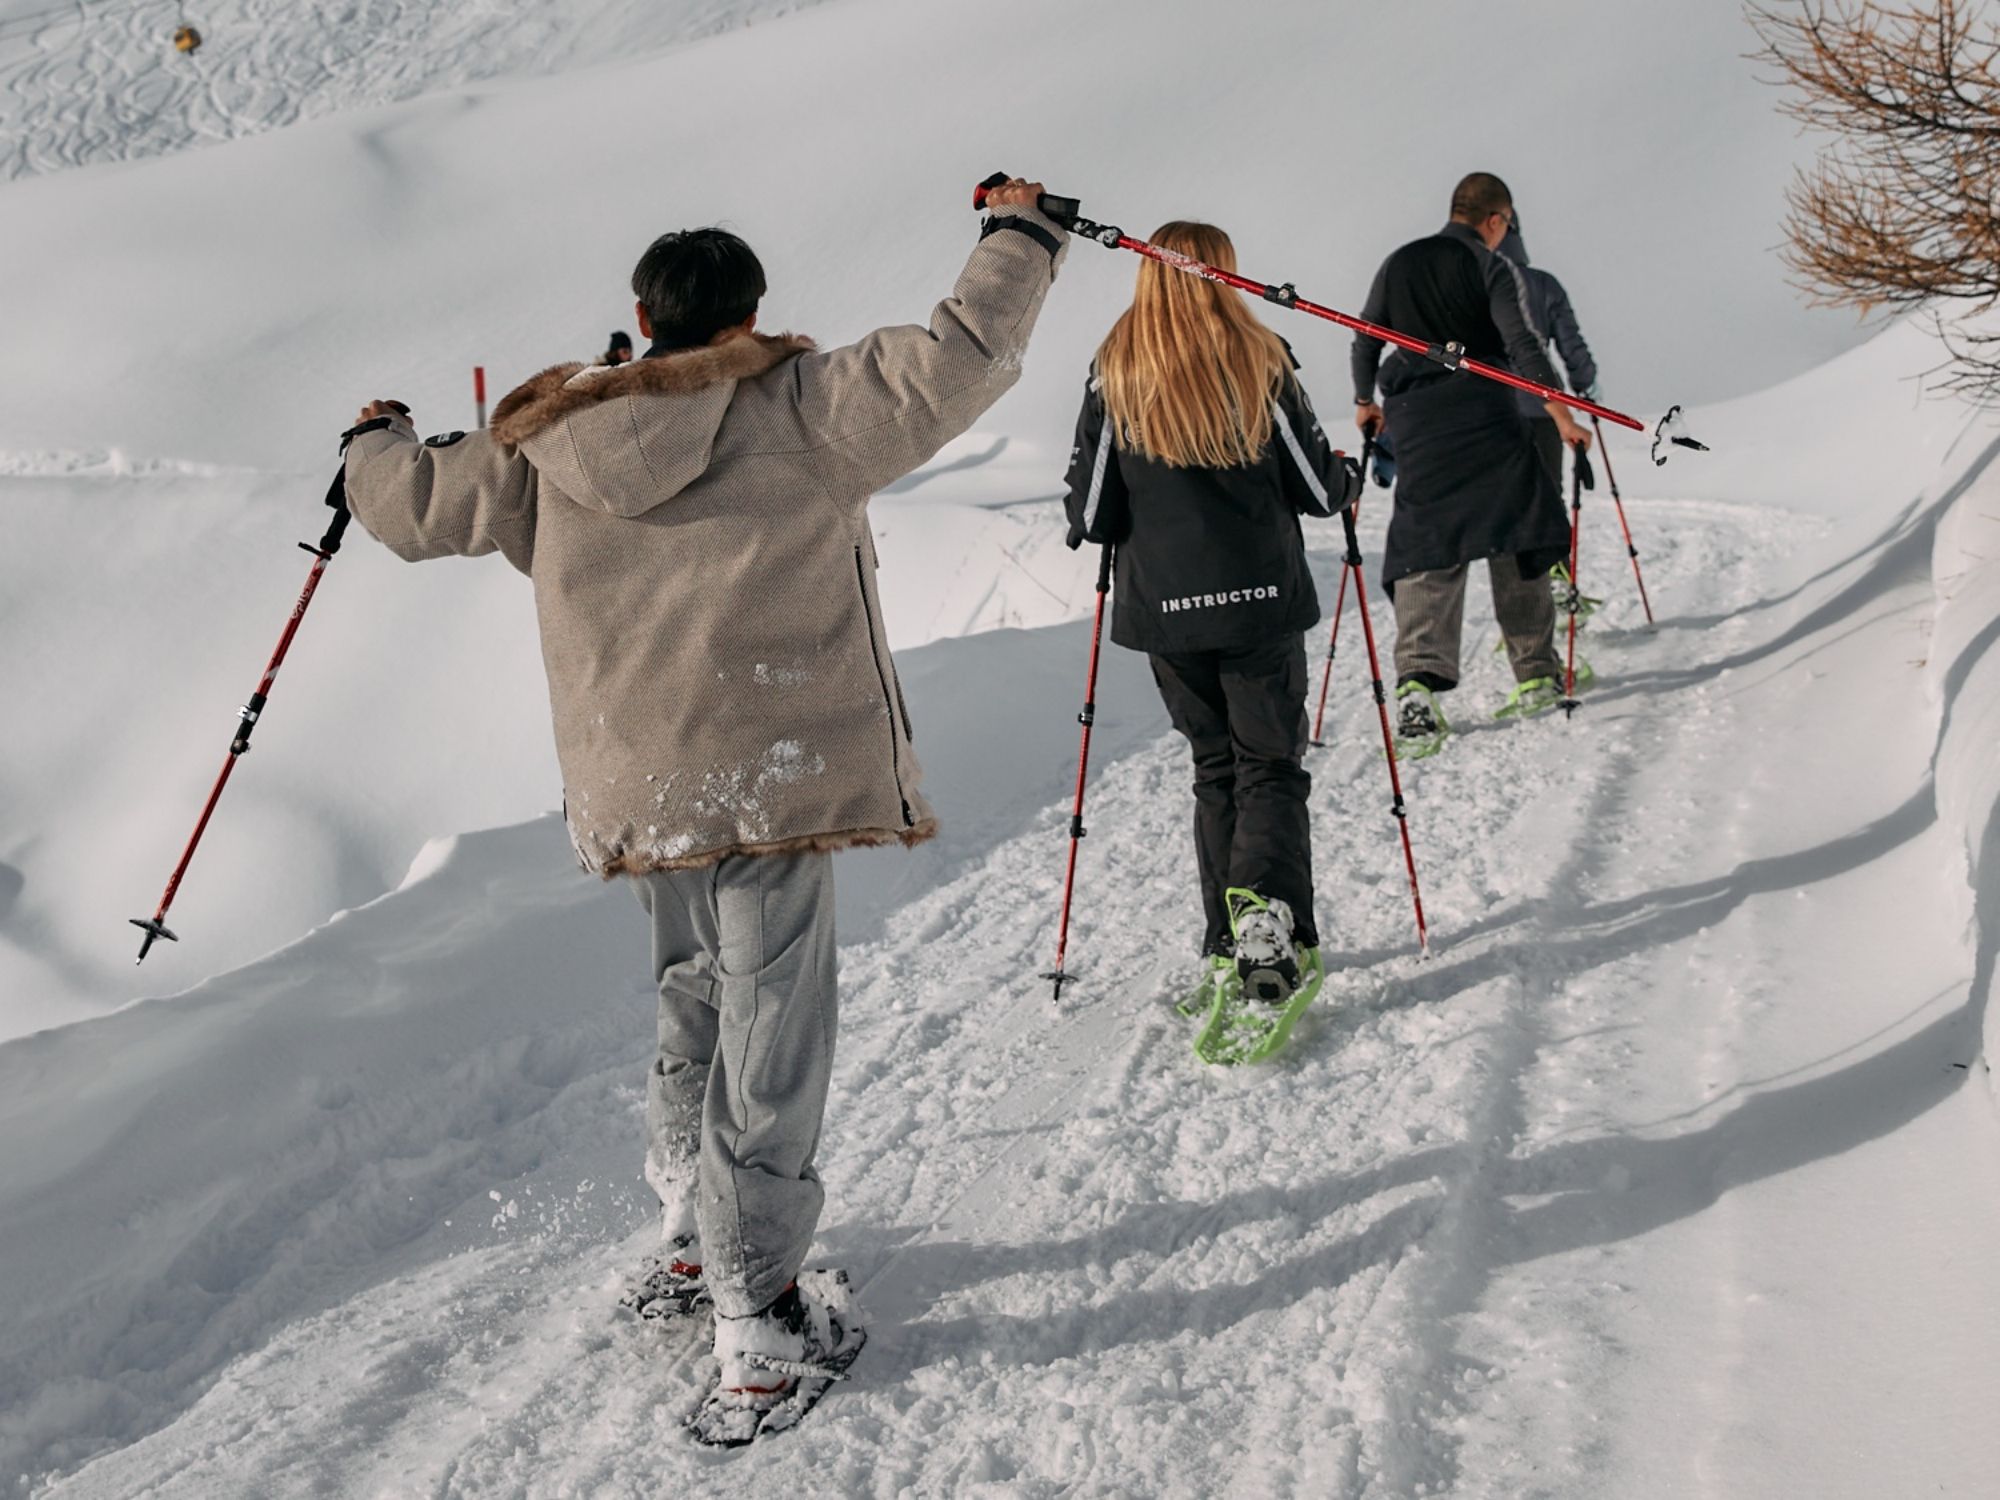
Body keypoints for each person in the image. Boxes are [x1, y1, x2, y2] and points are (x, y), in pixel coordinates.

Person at [338, 179, 1068, 1434]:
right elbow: (964, 351)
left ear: (640, 315)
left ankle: (692, 1227)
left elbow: (411, 507)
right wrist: (1022, 231)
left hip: (643, 780)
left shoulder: (546, 440)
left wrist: (375, 436)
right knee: (773, 1023)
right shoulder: (803, 404)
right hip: (776, 770)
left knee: (695, 991)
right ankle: (758, 1308)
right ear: (747, 314)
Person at [1063, 221, 1359, 1016]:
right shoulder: (1261, 359)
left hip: (1169, 613)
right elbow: (1318, 488)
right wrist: (1349, 475)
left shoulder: (1114, 369)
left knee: (1216, 768)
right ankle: (1267, 919)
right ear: (1221, 274)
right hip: (1261, 602)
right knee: (1270, 767)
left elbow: (1092, 511)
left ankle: (1227, 939)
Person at [1351, 172, 1592, 756]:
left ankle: (1417, 688)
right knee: (1518, 528)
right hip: (1485, 411)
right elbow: (1524, 346)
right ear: (1494, 220)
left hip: (1415, 418)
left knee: (1430, 541)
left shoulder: (1399, 262)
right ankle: (1535, 672)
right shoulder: (1491, 267)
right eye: (1504, 225)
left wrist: (1365, 403)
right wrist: (1559, 415)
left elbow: (1364, 339)